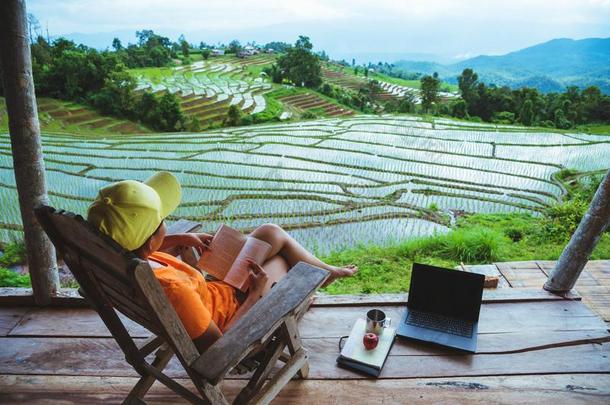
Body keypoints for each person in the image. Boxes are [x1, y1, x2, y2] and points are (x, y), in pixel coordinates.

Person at [87, 171, 358, 352]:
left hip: (216, 293)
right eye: (162, 222)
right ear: (149, 240)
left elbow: (155, 250)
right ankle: (312, 288)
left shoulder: (128, 258)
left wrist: (185, 238)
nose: (165, 224)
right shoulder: (174, 291)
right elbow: (218, 346)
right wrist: (253, 294)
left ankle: (328, 272)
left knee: (269, 233)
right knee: (283, 265)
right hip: (237, 312)